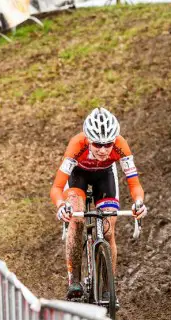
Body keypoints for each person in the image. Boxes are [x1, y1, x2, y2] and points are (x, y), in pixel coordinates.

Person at [50, 107, 148, 301]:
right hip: (79, 177)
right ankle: (74, 281)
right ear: (88, 139)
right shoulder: (77, 144)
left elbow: (134, 183)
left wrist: (138, 202)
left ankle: (107, 288)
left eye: (108, 144)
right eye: (97, 144)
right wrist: (62, 206)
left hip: (105, 178)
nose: (103, 150)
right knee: (76, 219)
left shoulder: (121, 145)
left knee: (108, 230)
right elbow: (56, 187)